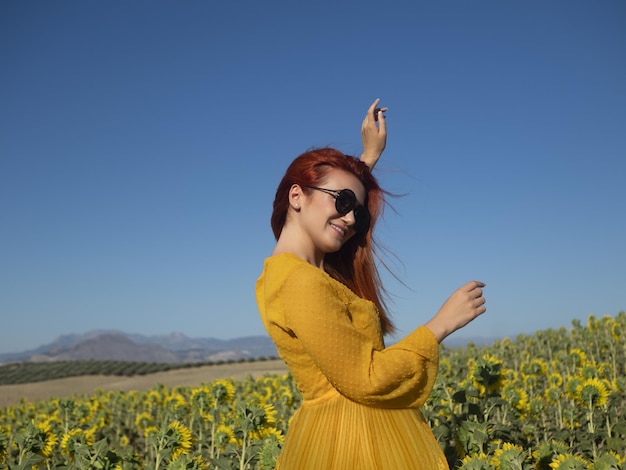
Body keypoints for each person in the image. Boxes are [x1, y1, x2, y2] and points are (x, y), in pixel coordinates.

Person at [255, 99, 486, 469]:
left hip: (341, 433)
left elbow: (332, 199)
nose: (350, 218)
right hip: (352, 442)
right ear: (295, 196)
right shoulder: (300, 281)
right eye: (343, 202)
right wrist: (441, 324)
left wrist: (367, 158)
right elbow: (365, 378)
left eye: (358, 213)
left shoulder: (295, 272)